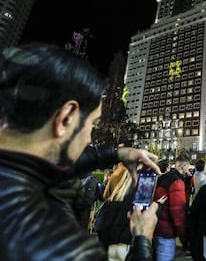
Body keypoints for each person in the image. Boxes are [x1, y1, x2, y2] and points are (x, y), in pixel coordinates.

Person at [0, 43, 161, 260]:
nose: (89, 138)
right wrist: (142, 239)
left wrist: (114, 153)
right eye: (92, 125)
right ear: (66, 117)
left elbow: (43, 168)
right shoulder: (63, 245)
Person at [152, 155, 191, 261]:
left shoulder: (162, 178)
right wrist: (184, 238)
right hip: (167, 232)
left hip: (154, 227)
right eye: (188, 167)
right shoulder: (177, 182)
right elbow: (178, 214)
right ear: (183, 166)